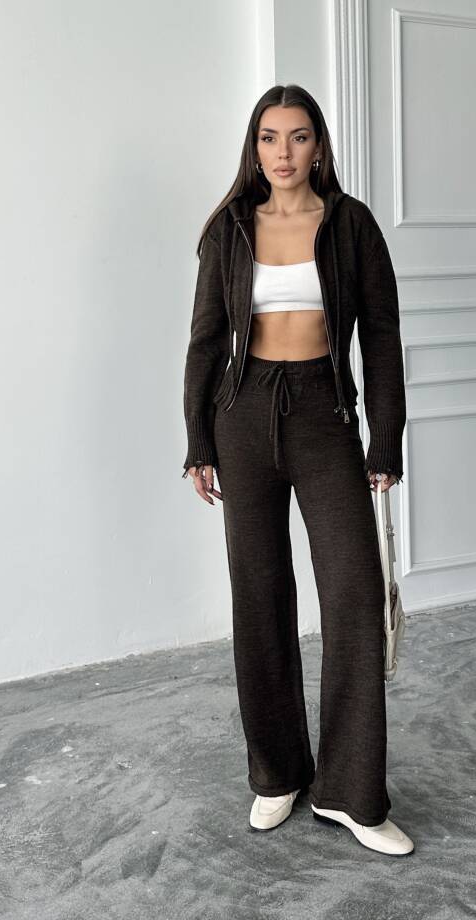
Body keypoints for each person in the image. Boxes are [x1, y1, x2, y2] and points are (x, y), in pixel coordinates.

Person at [181, 83, 413, 856]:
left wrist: (386, 440)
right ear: (255, 147)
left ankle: (351, 793)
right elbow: (205, 341)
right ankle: (278, 773)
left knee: (353, 594)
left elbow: (381, 335)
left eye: (299, 136)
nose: (283, 152)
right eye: (270, 137)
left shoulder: (350, 224)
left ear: (319, 146)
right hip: (242, 415)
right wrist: (198, 440)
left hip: (324, 414)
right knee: (260, 597)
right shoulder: (230, 229)